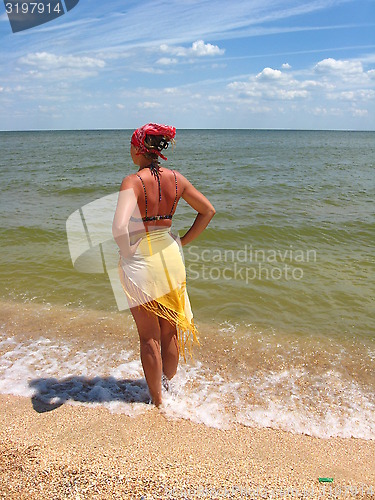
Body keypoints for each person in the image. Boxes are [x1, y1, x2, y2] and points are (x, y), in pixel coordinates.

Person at [112, 123, 215, 407]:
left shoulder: (132, 181)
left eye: (132, 146)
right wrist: (182, 241)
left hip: (142, 260)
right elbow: (208, 211)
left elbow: (119, 228)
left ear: (138, 149)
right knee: (169, 331)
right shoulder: (177, 179)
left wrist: (129, 251)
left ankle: (157, 401)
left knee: (149, 338)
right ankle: (168, 389)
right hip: (171, 256)